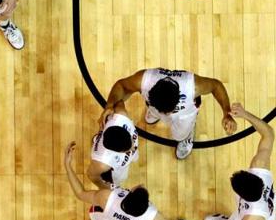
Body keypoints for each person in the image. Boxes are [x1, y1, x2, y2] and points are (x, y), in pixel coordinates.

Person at [65, 142, 229, 220]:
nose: (140, 184)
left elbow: (80, 193)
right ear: (146, 206)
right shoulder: (152, 219)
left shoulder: (106, 197)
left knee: (97, 216)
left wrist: (68, 165)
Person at [190, 103, 275, 220]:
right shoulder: (259, 168)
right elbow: (269, 134)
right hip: (266, 209)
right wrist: (245, 114)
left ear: (242, 196)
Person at [98, 68, 237, 159]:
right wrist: (110, 105)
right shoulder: (144, 80)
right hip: (154, 106)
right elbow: (121, 86)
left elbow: (216, 86)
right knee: (153, 111)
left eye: (167, 110)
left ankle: (186, 137)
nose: (167, 113)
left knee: (179, 135)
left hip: (184, 115)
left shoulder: (192, 86)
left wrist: (226, 112)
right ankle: (154, 112)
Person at [87, 100, 139, 189]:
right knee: (120, 179)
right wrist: (107, 189)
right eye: (128, 149)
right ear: (117, 151)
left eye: (132, 141)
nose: (133, 147)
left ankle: (97, 139)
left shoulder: (121, 115)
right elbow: (92, 175)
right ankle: (97, 139)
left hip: (106, 141)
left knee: (134, 155)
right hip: (114, 172)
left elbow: (119, 101)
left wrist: (109, 107)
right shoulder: (102, 163)